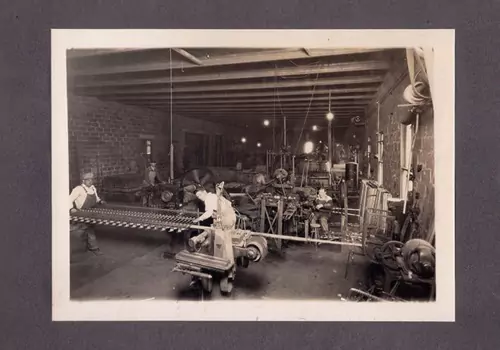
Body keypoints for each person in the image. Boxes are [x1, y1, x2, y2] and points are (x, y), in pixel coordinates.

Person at [69, 172, 105, 255]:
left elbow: (96, 198)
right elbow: (69, 199)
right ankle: (94, 248)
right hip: (82, 212)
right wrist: (71, 209)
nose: (90, 181)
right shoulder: (78, 189)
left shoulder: (92, 188)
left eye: (91, 179)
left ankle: (88, 246)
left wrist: (100, 201)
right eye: (88, 180)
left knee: (89, 228)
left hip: (92, 211)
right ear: (83, 181)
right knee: (88, 229)